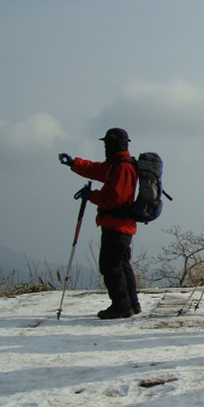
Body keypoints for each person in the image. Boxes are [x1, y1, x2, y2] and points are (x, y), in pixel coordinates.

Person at [59, 128, 140, 319]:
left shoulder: (122, 167)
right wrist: (73, 163)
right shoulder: (117, 165)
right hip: (121, 224)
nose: (105, 147)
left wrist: (92, 196)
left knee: (110, 266)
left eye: (107, 144)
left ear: (114, 144)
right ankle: (131, 304)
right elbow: (97, 170)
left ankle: (121, 307)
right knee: (121, 264)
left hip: (117, 224)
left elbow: (115, 198)